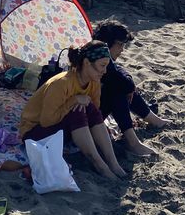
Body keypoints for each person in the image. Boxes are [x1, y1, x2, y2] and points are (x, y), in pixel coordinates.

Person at [18, 40, 127, 180]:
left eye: (106, 66)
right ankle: (100, 165)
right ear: (87, 62)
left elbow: (94, 115)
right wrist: (73, 101)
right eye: (102, 66)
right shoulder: (61, 83)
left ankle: (113, 163)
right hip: (34, 134)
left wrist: (80, 103)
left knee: (88, 108)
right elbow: (46, 121)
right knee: (77, 110)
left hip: (60, 130)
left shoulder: (93, 82)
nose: (105, 71)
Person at [92, 19, 168, 159]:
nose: (122, 50)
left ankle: (154, 120)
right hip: (88, 119)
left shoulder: (96, 54)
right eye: (120, 45)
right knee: (118, 90)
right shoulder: (97, 60)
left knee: (121, 86)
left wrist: (129, 83)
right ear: (107, 44)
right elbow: (121, 80)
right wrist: (129, 85)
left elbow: (120, 71)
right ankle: (132, 142)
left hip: (94, 111)